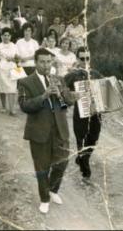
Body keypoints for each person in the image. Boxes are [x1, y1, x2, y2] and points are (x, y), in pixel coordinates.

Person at [18, 48, 76, 214]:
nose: (46, 65)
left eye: (49, 61)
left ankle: (52, 190)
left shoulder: (59, 79)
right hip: (39, 131)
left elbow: (69, 102)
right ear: (36, 62)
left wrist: (61, 94)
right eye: (42, 62)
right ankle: (44, 199)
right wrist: (44, 96)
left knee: (63, 162)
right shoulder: (25, 82)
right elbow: (24, 106)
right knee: (42, 166)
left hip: (60, 128)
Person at [64, 47, 103, 179]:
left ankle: (82, 158)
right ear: (77, 59)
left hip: (96, 113)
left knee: (93, 138)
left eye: (88, 58)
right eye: (82, 58)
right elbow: (61, 88)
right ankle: (85, 166)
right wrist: (70, 94)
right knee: (81, 138)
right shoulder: (72, 75)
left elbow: (106, 87)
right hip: (80, 113)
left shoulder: (96, 73)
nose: (85, 61)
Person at [0, 27, 19, 116]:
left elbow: (18, 59)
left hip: (13, 68)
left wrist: (13, 59)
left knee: (12, 89)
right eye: (5, 35)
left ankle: (12, 109)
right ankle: (4, 106)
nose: (6, 37)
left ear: (10, 36)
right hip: (2, 69)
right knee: (2, 89)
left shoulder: (14, 46)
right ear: (1, 36)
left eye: (8, 35)